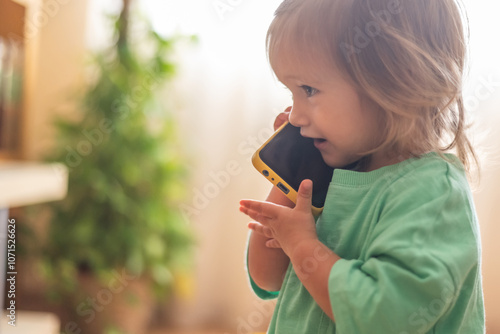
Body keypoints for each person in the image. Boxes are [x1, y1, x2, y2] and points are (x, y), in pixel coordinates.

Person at [239, 0, 485, 333]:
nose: (294, 116)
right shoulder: (331, 169)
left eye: (308, 90)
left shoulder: (433, 193)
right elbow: (267, 278)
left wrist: (302, 245)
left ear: (396, 83)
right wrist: (290, 185)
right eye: (291, 91)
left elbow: (382, 318)